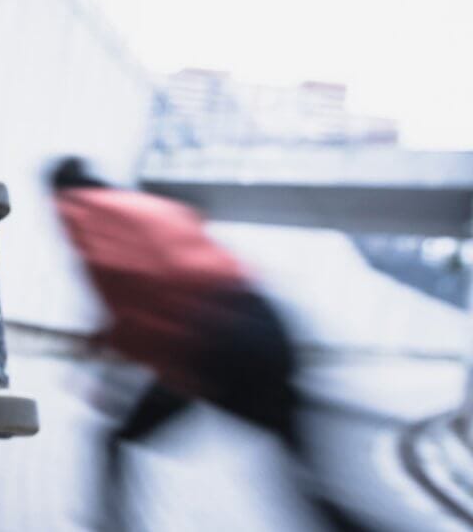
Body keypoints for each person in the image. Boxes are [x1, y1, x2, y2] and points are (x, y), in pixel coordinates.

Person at [49, 157, 373, 531]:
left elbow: (128, 287)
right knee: (299, 470)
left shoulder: (79, 211)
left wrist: (109, 368)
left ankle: (111, 526)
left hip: (208, 342)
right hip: (262, 320)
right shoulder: (150, 208)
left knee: (117, 441)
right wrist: (109, 339)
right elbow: (159, 282)